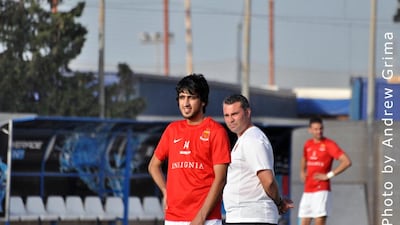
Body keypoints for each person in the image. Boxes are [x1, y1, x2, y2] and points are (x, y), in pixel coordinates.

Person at [148, 74, 231, 225]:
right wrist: (165, 191)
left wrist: (201, 216)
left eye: (191, 97)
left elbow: (220, 179)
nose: (185, 103)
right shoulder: (172, 130)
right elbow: (153, 166)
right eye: (182, 97)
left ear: (203, 101)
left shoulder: (216, 131)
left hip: (206, 219)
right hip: (174, 217)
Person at [222, 94, 294, 225]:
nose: (230, 120)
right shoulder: (244, 139)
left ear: (247, 112)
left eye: (234, 114)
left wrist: (279, 202)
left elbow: (268, 181)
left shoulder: (252, 139)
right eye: (226, 115)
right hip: (243, 217)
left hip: (252, 217)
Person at [298, 116, 352, 225]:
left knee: (319, 220)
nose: (319, 131)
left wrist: (328, 175)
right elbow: (304, 157)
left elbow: (346, 161)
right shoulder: (308, 144)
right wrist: (302, 171)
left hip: (321, 189)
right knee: (304, 220)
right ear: (310, 130)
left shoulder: (329, 144)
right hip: (308, 188)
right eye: (316, 129)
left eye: (321, 128)